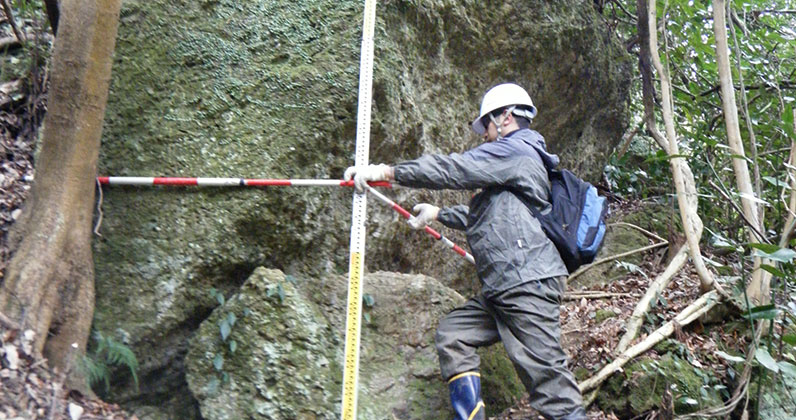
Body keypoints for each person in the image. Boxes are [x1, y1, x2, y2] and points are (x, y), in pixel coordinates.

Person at [344, 83, 587, 420]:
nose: (484, 136)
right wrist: (440, 214)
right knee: (454, 333)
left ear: (505, 117)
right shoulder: (520, 160)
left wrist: (388, 172)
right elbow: (492, 215)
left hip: (526, 283)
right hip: (506, 285)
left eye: (485, 125)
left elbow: (453, 169)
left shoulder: (515, 151)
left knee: (551, 386)